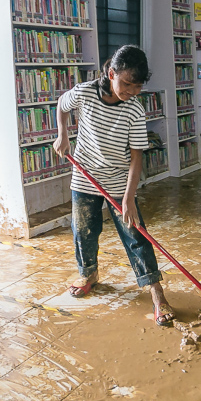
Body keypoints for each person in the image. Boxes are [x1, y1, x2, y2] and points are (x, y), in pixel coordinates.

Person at [52, 45, 175, 326]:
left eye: (137, 87)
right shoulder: (84, 93)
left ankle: (156, 291)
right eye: (127, 84)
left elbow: (136, 157)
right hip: (85, 175)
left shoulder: (134, 108)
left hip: (120, 181)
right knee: (83, 229)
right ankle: (88, 274)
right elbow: (62, 104)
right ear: (111, 73)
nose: (131, 91)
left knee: (137, 234)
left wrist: (129, 199)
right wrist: (63, 135)